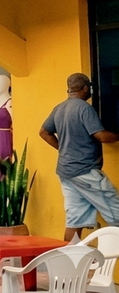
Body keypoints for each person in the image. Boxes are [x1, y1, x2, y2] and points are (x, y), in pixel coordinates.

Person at [40, 73, 119, 241]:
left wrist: (62, 149)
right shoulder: (84, 108)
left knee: (75, 221)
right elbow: (102, 136)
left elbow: (44, 132)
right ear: (85, 88)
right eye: (89, 87)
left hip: (66, 173)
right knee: (116, 213)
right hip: (85, 172)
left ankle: (68, 263)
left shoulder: (60, 108)